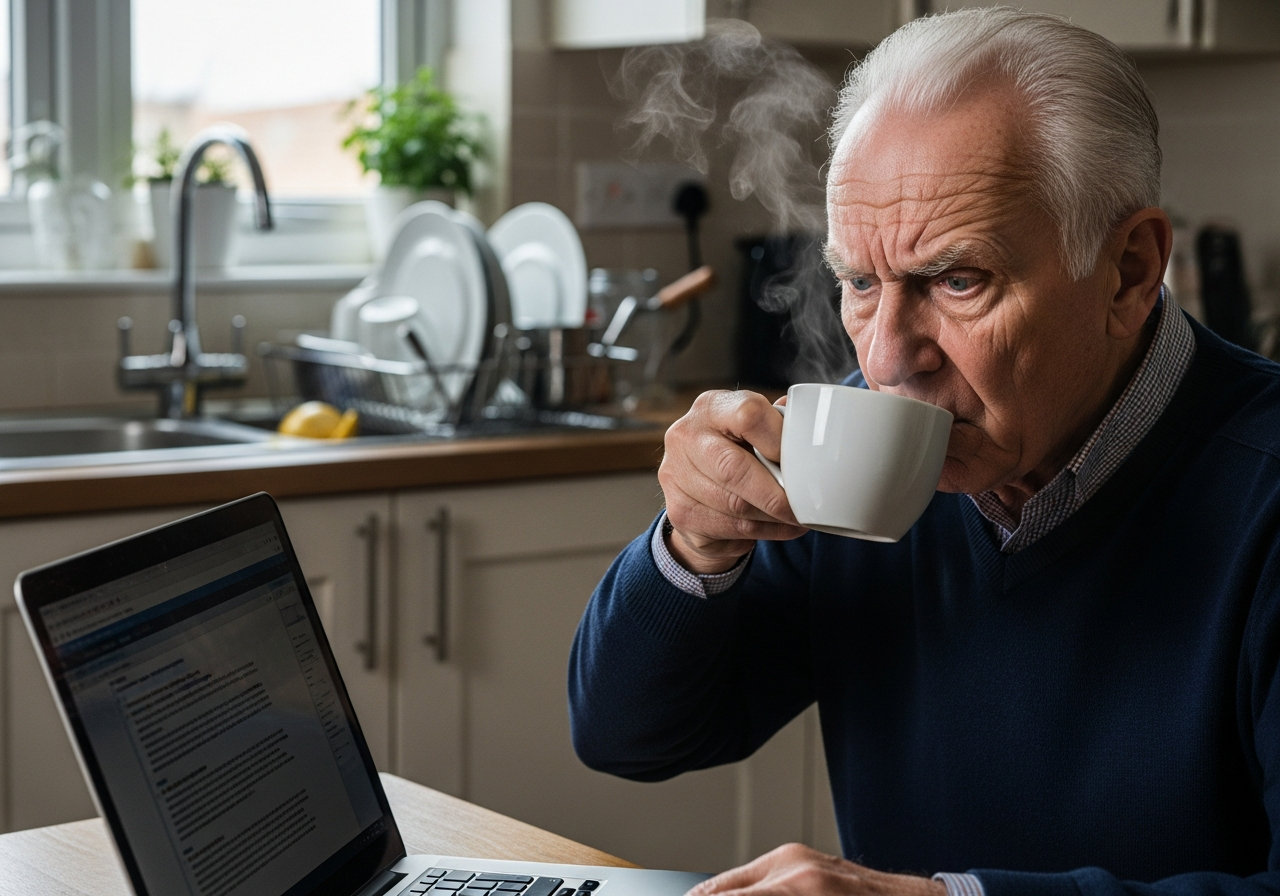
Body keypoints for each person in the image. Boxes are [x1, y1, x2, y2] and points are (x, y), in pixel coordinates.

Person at [567, 7, 1280, 896]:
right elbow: (631, 737)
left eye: (957, 280)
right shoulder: (861, 452)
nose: (888, 359)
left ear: (1129, 270)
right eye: (860, 283)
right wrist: (691, 548)